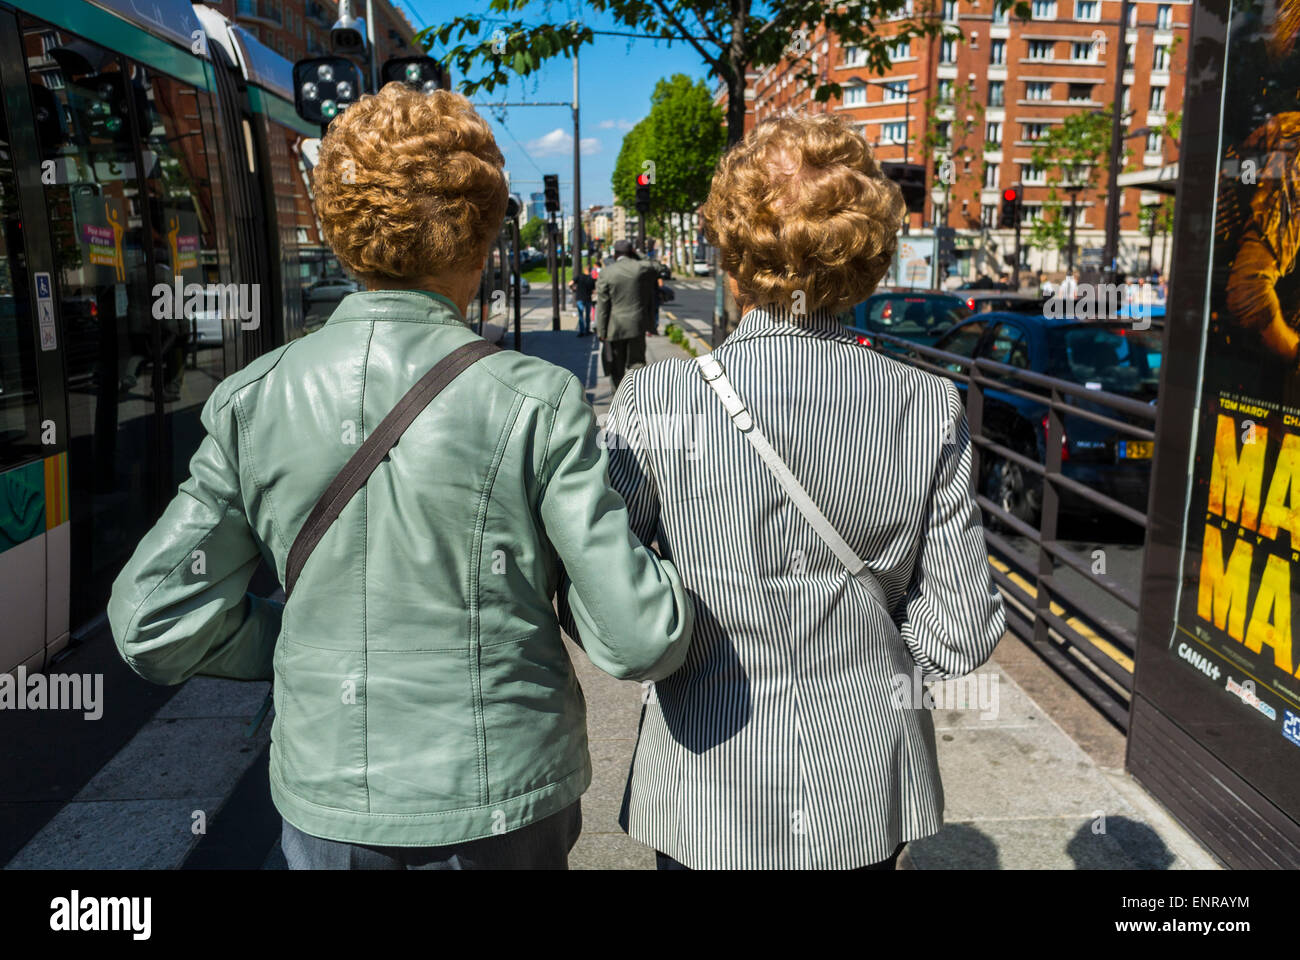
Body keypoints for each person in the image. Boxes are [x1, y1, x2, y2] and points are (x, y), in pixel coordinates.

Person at [107, 84, 694, 870]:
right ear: (483, 236)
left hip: (331, 802)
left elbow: (153, 620)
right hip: (504, 798)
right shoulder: (536, 400)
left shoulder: (254, 400)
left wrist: (294, 641)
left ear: (338, 234)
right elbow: (638, 637)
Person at [596, 113, 1005, 869]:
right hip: (862, 791)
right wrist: (867, 656)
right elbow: (960, 630)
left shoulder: (655, 404)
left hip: (704, 785)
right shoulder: (926, 404)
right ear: (867, 257)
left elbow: (611, 609)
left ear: (731, 251)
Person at [596, 239, 657, 390]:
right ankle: (637, 396)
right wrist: (639, 255)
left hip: (615, 327)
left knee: (617, 367)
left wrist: (601, 331)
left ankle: (619, 398)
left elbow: (603, 305)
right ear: (631, 252)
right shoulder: (640, 268)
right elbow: (657, 266)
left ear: (615, 254)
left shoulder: (607, 273)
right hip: (636, 325)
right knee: (637, 363)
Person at [570, 268, 595, 337]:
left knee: (581, 315)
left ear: (584, 270)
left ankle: (581, 331)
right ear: (590, 272)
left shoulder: (579, 277)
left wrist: (573, 289)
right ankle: (587, 330)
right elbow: (593, 290)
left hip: (580, 298)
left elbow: (570, 283)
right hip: (588, 299)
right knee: (587, 315)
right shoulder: (591, 279)